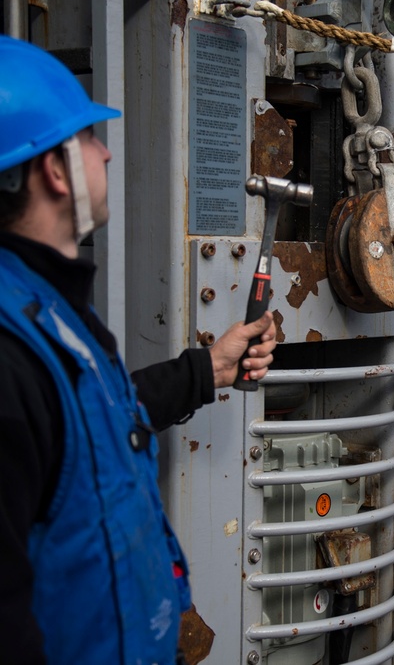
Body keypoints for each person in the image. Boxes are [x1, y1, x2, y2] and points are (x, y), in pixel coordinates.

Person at [0, 36, 277, 665]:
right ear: (54, 169)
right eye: (90, 140)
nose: (104, 152)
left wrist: (210, 369)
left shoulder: (48, 308)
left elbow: (95, 424)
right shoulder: (9, 350)